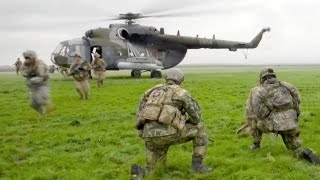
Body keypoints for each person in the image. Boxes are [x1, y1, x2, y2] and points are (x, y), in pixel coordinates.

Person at [132, 68, 212, 179]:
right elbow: (196, 117)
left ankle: (140, 173)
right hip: (170, 134)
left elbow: (140, 112)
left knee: (156, 169)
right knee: (200, 128)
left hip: (149, 136)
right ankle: (197, 165)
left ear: (166, 78)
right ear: (180, 80)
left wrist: (142, 131)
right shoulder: (181, 92)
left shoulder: (150, 91)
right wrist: (185, 122)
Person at [248, 68, 320, 164]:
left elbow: (257, 110)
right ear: (274, 76)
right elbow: (297, 99)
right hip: (290, 122)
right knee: (295, 149)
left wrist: (268, 117)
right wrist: (294, 114)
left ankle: (256, 145)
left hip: (273, 124)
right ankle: (305, 153)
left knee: (254, 121)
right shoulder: (286, 85)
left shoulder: (258, 90)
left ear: (262, 78)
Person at [20, 50, 52, 116]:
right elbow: (23, 72)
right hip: (33, 86)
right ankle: (42, 113)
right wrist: (27, 74)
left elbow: (41, 77)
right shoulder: (25, 64)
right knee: (33, 104)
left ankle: (48, 103)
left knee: (40, 99)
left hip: (42, 84)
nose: (27, 60)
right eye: (26, 58)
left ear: (33, 57)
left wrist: (32, 79)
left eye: (28, 58)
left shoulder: (40, 64)